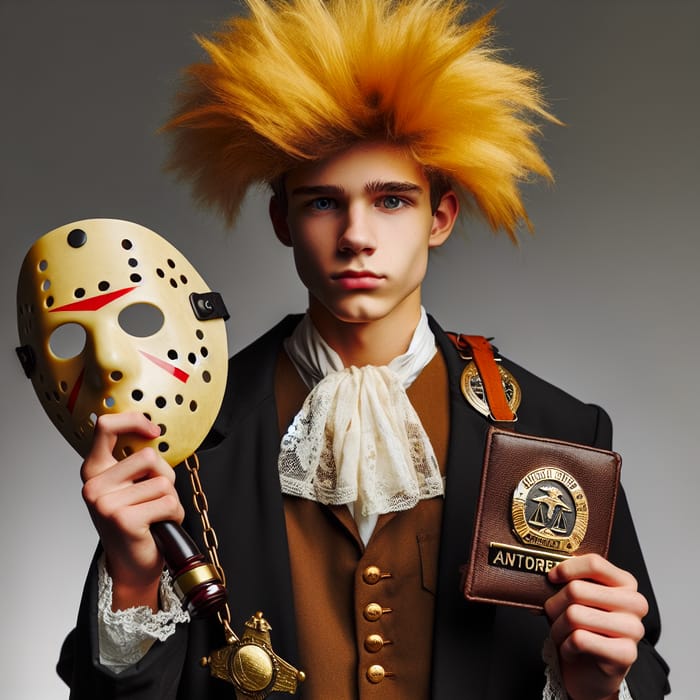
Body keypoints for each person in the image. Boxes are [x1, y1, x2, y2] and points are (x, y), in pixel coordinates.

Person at [57, 1, 670, 698]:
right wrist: (133, 581)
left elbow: (640, 667)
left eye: (391, 201)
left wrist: (596, 686)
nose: (356, 235)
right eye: (322, 202)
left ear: (440, 216)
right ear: (283, 219)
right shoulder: (186, 429)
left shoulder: (557, 432)